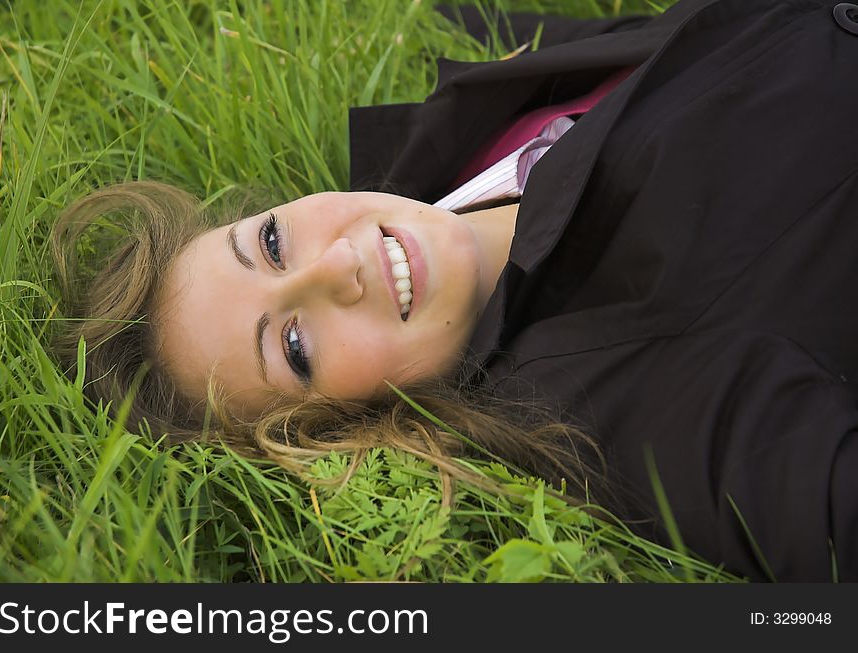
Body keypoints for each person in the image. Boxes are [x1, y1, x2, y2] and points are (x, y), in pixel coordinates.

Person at [51, 0, 858, 582]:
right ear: (341, 429)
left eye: (270, 242)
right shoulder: (636, 406)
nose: (336, 266)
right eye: (295, 345)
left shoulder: (448, 157)